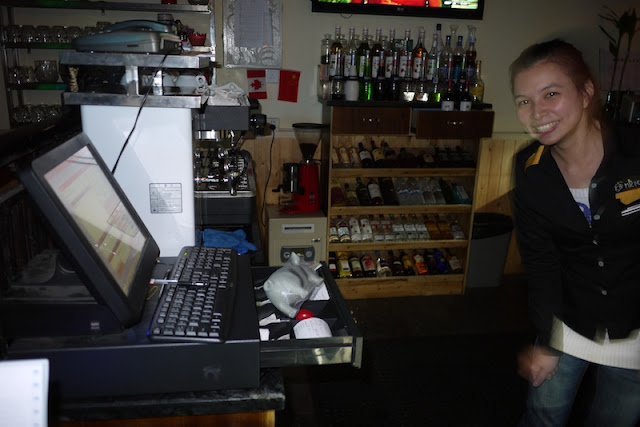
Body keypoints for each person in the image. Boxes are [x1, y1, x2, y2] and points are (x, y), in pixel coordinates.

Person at [510, 39, 640, 426]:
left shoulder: (635, 150)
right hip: (568, 324)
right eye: (523, 101)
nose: (537, 113)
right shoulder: (530, 169)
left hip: (635, 332)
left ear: (586, 93)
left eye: (551, 93)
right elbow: (541, 261)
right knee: (541, 418)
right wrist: (547, 341)